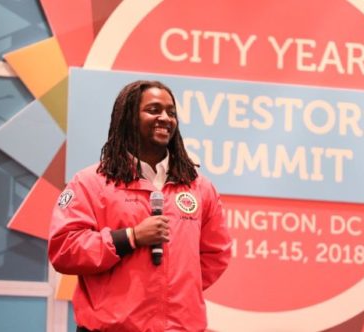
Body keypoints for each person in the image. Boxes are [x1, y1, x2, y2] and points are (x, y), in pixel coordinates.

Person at [48, 80, 232, 332]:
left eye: (171, 112)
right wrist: (130, 237)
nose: (165, 118)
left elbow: (216, 254)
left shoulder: (199, 187)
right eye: (154, 110)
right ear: (128, 118)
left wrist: (172, 289)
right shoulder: (90, 182)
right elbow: (64, 250)